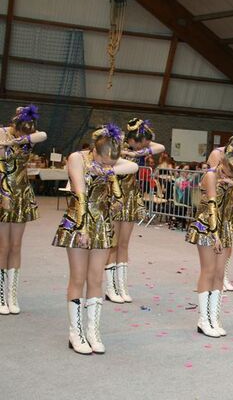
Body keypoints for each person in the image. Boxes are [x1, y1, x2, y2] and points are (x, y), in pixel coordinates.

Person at [53, 124, 138, 354]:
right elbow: (79, 192)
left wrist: (110, 171)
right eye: (104, 161)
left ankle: (93, 331)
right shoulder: (77, 158)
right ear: (94, 151)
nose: (107, 165)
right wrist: (82, 228)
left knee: (96, 280)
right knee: (78, 278)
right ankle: (76, 333)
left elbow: (133, 165)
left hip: (102, 223)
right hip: (79, 221)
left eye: (112, 162)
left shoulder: (109, 162)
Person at [187, 130, 233, 337]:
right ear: (221, 164)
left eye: (232, 174)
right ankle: (203, 319)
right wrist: (215, 235)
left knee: (220, 273)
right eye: (227, 172)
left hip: (224, 224)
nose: (227, 176)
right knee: (208, 271)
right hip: (208, 226)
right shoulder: (210, 175)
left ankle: (214, 317)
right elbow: (211, 207)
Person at [105, 118, 165, 304]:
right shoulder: (115, 143)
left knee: (124, 243)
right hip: (114, 195)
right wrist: (124, 150)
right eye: (141, 143)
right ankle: (110, 287)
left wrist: (141, 148)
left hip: (131, 195)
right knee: (113, 243)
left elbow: (160, 147)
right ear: (132, 139)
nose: (145, 147)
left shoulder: (139, 147)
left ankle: (122, 285)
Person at [0, 105, 47, 315]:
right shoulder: (2, 133)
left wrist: (21, 140)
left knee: (16, 245)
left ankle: (12, 294)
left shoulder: (29, 137)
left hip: (21, 192)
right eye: (20, 131)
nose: (24, 135)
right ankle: (1, 295)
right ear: (14, 125)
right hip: (3, 191)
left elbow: (43, 135)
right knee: (3, 246)